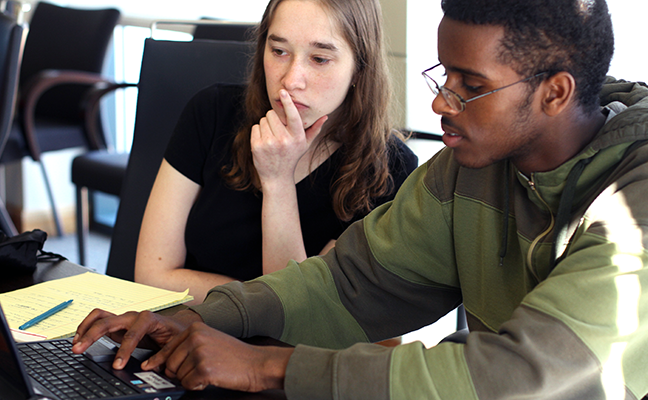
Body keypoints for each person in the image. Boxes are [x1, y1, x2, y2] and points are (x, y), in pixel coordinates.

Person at [73, 0, 648, 399]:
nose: (441, 104)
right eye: (444, 76)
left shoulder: (635, 204)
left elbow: (526, 379)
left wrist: (264, 366)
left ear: (555, 93)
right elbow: (345, 284)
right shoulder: (467, 170)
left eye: (471, 86)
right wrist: (189, 321)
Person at [133, 0, 418, 303]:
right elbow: (152, 275)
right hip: (185, 332)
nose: (291, 80)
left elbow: (299, 311)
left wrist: (278, 180)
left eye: (320, 59)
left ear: (360, 68)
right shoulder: (212, 112)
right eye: (279, 51)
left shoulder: (390, 169)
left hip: (286, 351)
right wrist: (258, 300)